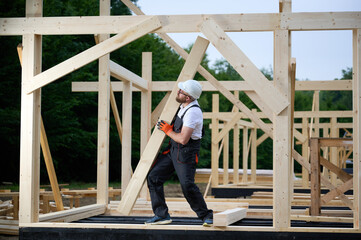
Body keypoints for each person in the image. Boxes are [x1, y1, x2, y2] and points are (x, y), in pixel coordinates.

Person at [145, 79, 213, 227]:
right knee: (154, 177)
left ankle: (207, 215)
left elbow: (183, 139)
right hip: (173, 150)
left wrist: (168, 130)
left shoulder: (193, 112)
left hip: (186, 152)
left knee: (187, 185)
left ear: (188, 98)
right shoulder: (182, 105)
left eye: (181, 91)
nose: (178, 91)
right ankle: (161, 215)